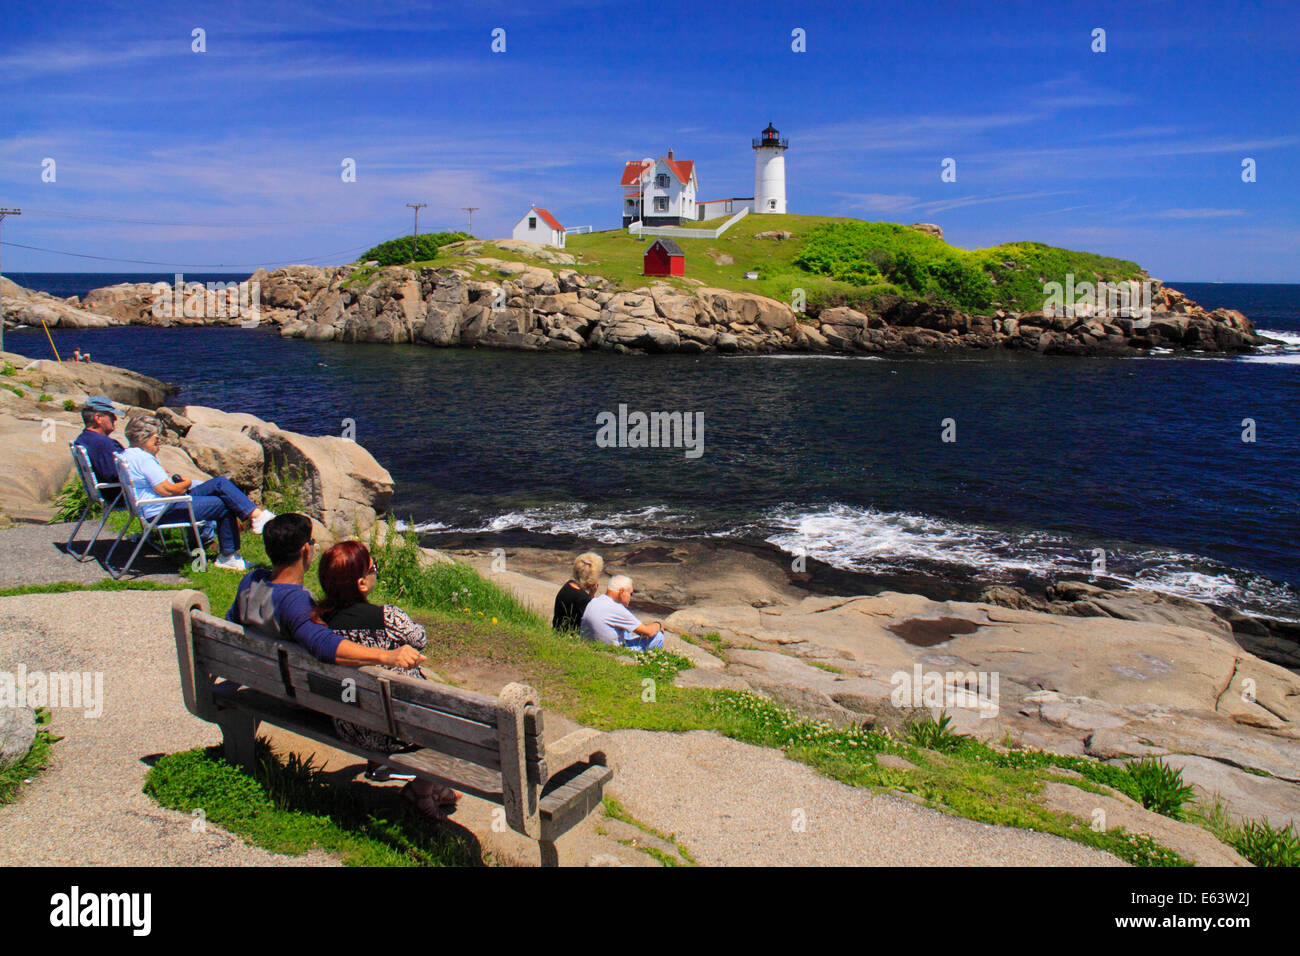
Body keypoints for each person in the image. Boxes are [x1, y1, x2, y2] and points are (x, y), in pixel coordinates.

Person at [313, 540, 458, 819]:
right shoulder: (388, 618)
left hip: (347, 724)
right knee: (449, 722)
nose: (374, 571)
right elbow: (420, 639)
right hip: (395, 730)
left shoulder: (317, 624)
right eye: (372, 568)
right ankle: (421, 789)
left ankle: (434, 786)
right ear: (362, 584)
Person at [118, 413, 275, 571]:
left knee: (219, 483)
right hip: (163, 510)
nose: (159, 441)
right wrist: (186, 484)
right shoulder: (145, 459)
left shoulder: (129, 455)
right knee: (225, 504)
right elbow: (167, 490)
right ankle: (228, 556)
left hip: (158, 506)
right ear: (141, 438)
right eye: (155, 438)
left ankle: (256, 516)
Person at [580, 574, 665, 651]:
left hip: (590, 643)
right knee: (658, 636)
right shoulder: (617, 609)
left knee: (627, 630)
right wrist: (658, 624)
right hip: (612, 649)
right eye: (630, 594)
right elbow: (648, 632)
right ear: (621, 591)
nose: (630, 598)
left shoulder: (595, 601)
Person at [73, 396, 124, 485]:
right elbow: (124, 474)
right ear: (98, 418)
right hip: (120, 495)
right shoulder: (104, 444)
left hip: (107, 493)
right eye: (111, 415)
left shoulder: (82, 439)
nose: (115, 418)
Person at [552, 552, 603, 631]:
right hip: (571, 636)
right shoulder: (582, 599)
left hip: (558, 631)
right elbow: (593, 622)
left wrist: (590, 595)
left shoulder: (568, 586)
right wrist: (590, 597)